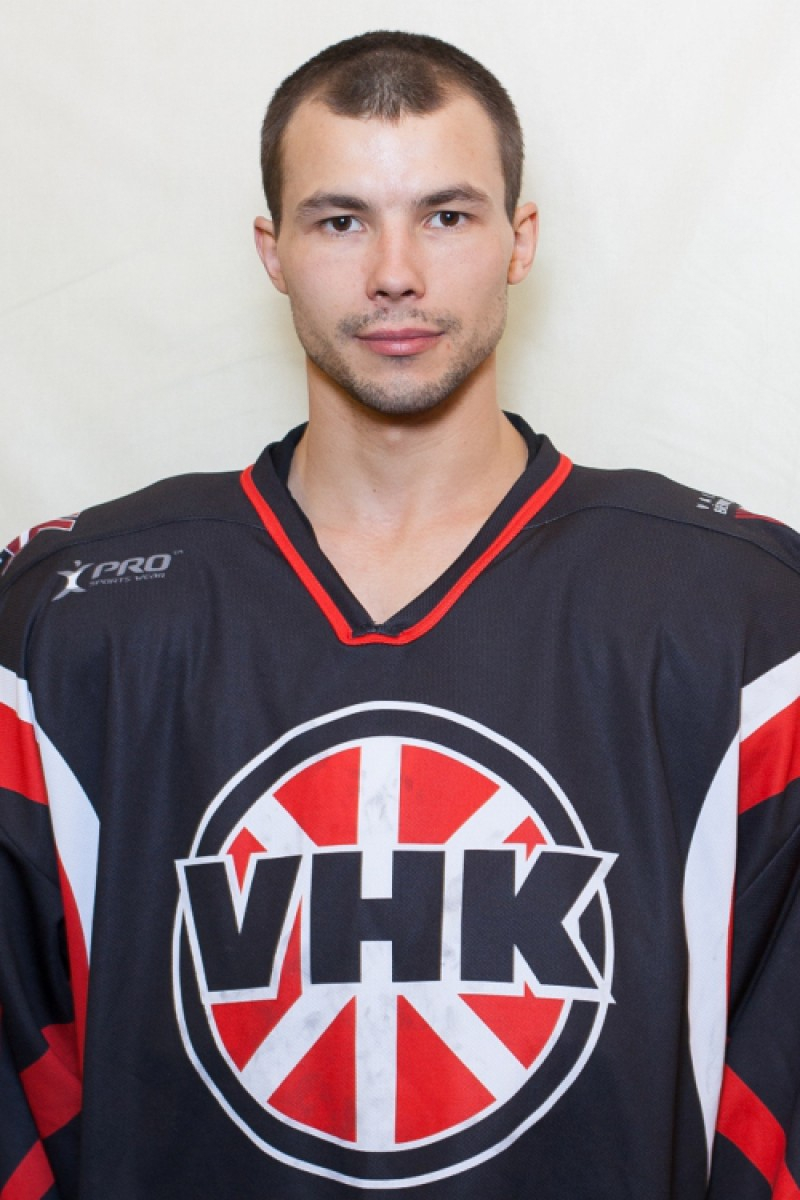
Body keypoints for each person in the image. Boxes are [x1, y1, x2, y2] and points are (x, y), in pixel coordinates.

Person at [0, 30, 798, 1200]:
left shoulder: (739, 615)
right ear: (271, 252)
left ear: (519, 240)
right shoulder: (69, 621)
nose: (393, 274)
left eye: (446, 215)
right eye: (339, 221)